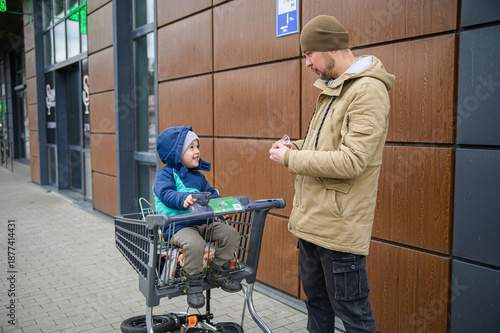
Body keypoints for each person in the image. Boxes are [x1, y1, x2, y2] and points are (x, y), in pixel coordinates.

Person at [269, 15, 395, 333]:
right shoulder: (333, 88)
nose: (308, 63)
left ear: (328, 49)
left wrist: (290, 159)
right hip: (313, 224)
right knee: (317, 305)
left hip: (339, 230)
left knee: (353, 316)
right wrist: (293, 145)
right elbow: (322, 143)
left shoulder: (367, 91)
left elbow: (351, 161)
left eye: (309, 54)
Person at [154, 126, 242, 309]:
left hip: (202, 221)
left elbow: (211, 194)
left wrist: (221, 208)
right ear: (176, 152)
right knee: (195, 244)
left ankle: (218, 271)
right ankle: (193, 283)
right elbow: (164, 193)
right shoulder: (165, 174)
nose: (197, 151)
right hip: (178, 226)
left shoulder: (198, 176)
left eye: (197, 146)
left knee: (230, 233)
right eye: (191, 147)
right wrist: (182, 198)